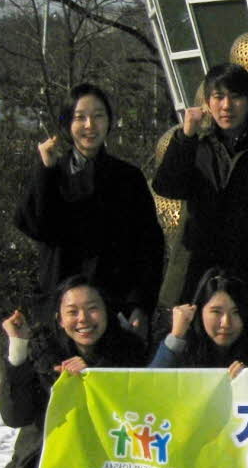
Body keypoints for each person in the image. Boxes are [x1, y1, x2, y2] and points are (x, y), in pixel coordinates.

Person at [0, 277, 147, 468]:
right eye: (72, 311)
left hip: (114, 455)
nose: (83, 319)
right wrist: (18, 347)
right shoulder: (41, 351)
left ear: (108, 312)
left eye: (92, 309)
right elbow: (15, 417)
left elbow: (141, 407)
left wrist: (96, 379)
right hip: (51, 454)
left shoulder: (130, 350)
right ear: (59, 319)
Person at [13, 83, 164, 337]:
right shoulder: (53, 173)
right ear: (66, 123)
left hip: (115, 303)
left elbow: (149, 246)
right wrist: (46, 171)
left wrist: (141, 305)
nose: (89, 126)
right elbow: (37, 226)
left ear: (109, 121)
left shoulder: (127, 177)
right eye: (80, 117)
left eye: (98, 116)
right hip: (62, 305)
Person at [151, 63, 248, 304]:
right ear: (207, 102)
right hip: (197, 274)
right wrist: (186, 138)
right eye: (218, 97)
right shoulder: (196, 143)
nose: (226, 106)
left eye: (235, 97)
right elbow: (167, 187)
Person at [150, 268, 248, 373]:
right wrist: (176, 336)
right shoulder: (183, 346)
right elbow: (150, 386)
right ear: (199, 311)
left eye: (236, 312)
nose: (226, 323)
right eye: (216, 311)